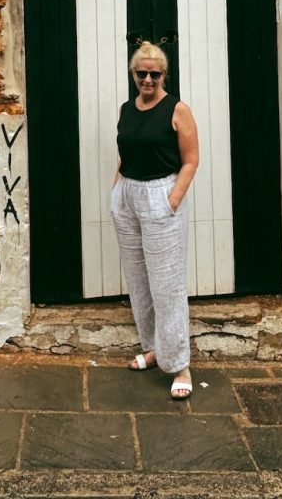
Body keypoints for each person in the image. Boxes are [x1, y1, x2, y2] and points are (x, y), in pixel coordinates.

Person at [111, 40, 199, 400]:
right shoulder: (126, 109)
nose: (147, 80)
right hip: (128, 195)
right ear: (133, 74)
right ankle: (153, 348)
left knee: (167, 284)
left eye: (154, 74)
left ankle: (180, 364)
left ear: (165, 75)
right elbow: (124, 153)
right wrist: (116, 191)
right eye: (141, 73)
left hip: (160, 194)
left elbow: (191, 160)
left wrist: (172, 199)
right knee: (139, 281)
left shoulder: (177, 110)